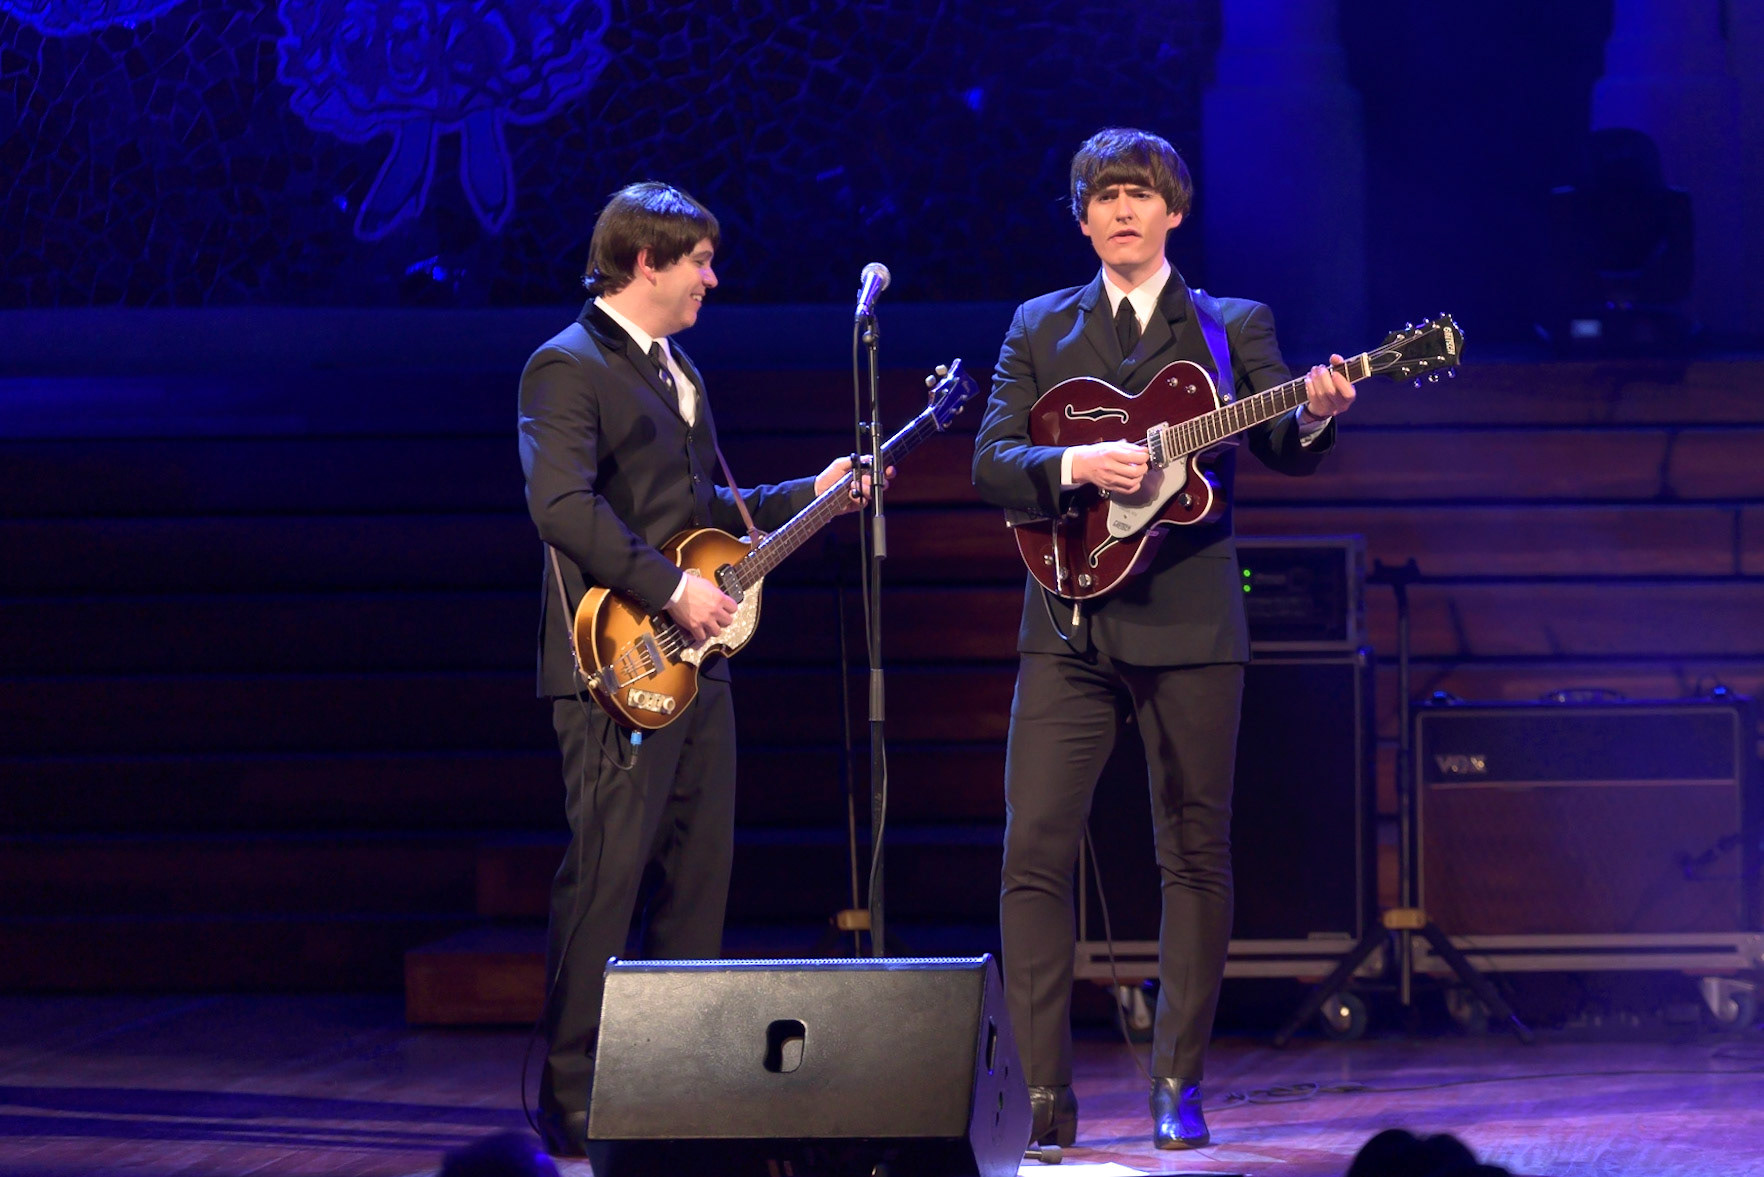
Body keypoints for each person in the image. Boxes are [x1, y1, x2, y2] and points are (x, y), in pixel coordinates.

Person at [970, 127, 1356, 1151]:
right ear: (1084, 216)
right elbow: (993, 460)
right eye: (1104, 196)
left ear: (1174, 211)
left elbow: (1281, 444)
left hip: (1190, 616)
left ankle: (1177, 1080)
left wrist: (1314, 414)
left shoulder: (1232, 324)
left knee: (1193, 848)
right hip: (1066, 617)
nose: (1123, 211)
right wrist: (1077, 465)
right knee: (1034, 849)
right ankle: (1044, 1095)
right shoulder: (1039, 324)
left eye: (1141, 194)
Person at [517, 180, 874, 1157]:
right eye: (700, 262)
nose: (712, 279)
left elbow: (705, 504)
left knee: (697, 882)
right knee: (607, 878)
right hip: (614, 666)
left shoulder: (679, 371)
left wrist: (814, 489)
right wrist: (670, 590)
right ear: (647, 262)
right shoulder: (566, 364)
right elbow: (563, 506)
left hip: (696, 666)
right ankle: (573, 1091)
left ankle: (667, 1084)